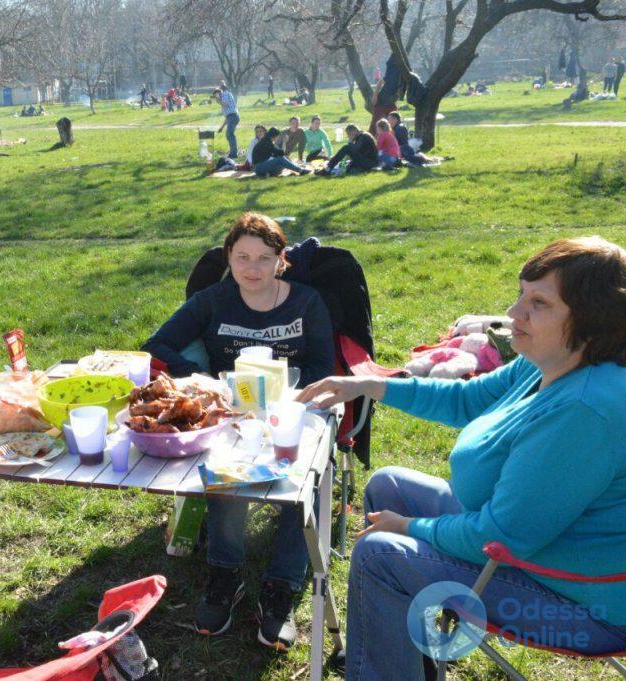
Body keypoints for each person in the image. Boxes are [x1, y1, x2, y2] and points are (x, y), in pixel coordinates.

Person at [298, 237, 626, 680]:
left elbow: (503, 536)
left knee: (380, 554)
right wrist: (369, 385)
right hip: (535, 550)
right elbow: (470, 399)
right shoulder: (550, 360)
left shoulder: (585, 410)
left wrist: (411, 528)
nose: (514, 313)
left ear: (591, 321)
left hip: (583, 602)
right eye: (520, 294)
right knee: (389, 484)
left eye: (539, 303)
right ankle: (410, 658)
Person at [143, 213, 335, 649]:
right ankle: (225, 573)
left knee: (300, 475)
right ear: (228, 257)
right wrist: (203, 378)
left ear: (281, 261)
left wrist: (290, 397)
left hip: (294, 407)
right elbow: (158, 343)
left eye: (264, 259)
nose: (252, 268)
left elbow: (324, 367)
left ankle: (281, 586)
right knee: (227, 471)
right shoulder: (214, 300)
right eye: (242, 257)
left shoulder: (306, 302)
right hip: (233, 411)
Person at [214, 87, 240, 159]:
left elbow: (226, 104)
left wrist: (218, 100)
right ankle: (233, 151)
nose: (215, 97)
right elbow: (227, 117)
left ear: (219, 93)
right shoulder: (222, 98)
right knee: (228, 135)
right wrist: (221, 127)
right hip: (231, 117)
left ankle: (233, 153)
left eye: (216, 95)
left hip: (233, 116)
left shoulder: (225, 94)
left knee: (230, 134)